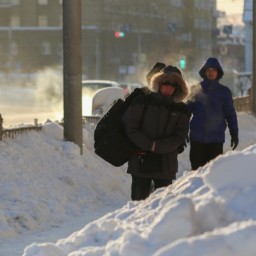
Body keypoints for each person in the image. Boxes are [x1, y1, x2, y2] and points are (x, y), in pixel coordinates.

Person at [122, 65, 191, 200]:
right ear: (158, 84)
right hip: (141, 161)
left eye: (172, 86)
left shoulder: (182, 110)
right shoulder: (142, 102)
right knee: (138, 205)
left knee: (163, 205)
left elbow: (179, 136)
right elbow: (131, 127)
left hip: (165, 164)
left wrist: (158, 146)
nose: (168, 89)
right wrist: (149, 145)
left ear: (177, 88)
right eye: (165, 84)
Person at [186, 57, 239, 170]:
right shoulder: (195, 89)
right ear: (204, 72)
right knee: (196, 173)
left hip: (216, 140)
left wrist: (234, 133)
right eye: (208, 70)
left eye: (213, 70)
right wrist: (183, 130)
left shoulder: (224, 92)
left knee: (214, 172)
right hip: (197, 140)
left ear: (218, 72)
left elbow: (230, 114)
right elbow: (186, 113)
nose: (211, 72)